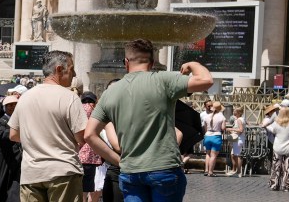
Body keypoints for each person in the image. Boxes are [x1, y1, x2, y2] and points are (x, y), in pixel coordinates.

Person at [84, 39, 213, 202]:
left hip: (131, 171)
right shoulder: (164, 80)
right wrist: (193, 64)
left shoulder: (110, 93)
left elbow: (89, 135)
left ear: (126, 62)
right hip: (164, 168)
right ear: (152, 63)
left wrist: (118, 160)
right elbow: (206, 80)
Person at [9, 51, 86, 202]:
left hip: (31, 173)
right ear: (59, 69)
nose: (74, 74)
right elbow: (82, 137)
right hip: (63, 170)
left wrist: (37, 139)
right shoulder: (70, 97)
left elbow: (13, 134)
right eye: (71, 69)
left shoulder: (26, 97)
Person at [79, 92, 104, 202]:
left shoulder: (78, 110)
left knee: (81, 189)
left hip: (78, 155)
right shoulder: (95, 111)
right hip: (92, 156)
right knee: (92, 188)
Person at [267, 107, 289, 191]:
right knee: (288, 167)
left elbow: (271, 129)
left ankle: (274, 185)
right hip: (288, 147)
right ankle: (287, 185)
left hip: (277, 146)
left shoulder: (276, 123)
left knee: (276, 166)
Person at [201, 101, 225, 177]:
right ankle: (210, 172)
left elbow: (204, 128)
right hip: (216, 136)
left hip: (207, 135)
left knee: (208, 154)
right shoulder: (222, 117)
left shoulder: (206, 116)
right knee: (213, 155)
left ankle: (206, 170)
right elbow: (223, 128)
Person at [226, 106, 245, 178]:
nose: (233, 111)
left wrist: (231, 129)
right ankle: (235, 169)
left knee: (237, 155)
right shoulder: (242, 119)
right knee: (233, 154)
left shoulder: (239, 120)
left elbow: (240, 130)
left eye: (234, 111)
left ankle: (239, 171)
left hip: (238, 139)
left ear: (238, 112)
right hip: (239, 138)